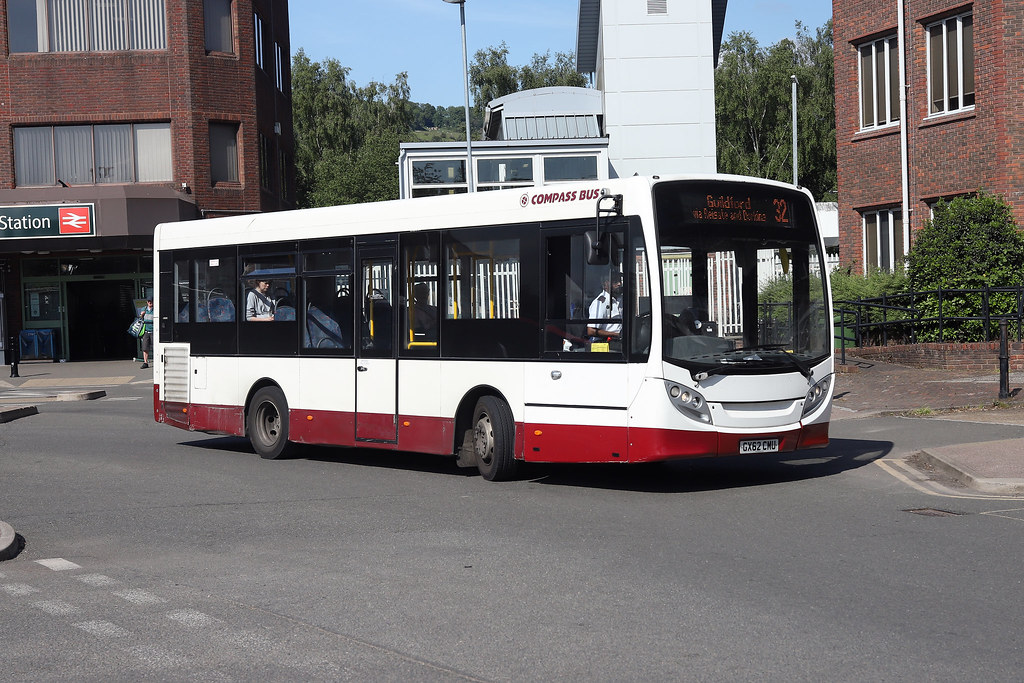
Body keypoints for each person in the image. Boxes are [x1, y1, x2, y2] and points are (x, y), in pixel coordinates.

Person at [587, 273, 622, 341]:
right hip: (605, 343)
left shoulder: (620, 299)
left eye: (620, 281)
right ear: (605, 285)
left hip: (620, 343)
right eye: (615, 282)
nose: (619, 284)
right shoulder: (600, 303)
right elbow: (591, 330)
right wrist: (616, 335)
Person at [140, 298, 154, 369]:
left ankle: (157, 361)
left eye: (151, 301)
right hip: (146, 331)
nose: (150, 303)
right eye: (148, 301)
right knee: (145, 347)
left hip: (154, 331)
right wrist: (142, 315)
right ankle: (145, 362)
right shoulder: (144, 309)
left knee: (155, 346)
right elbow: (140, 318)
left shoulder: (155, 309)